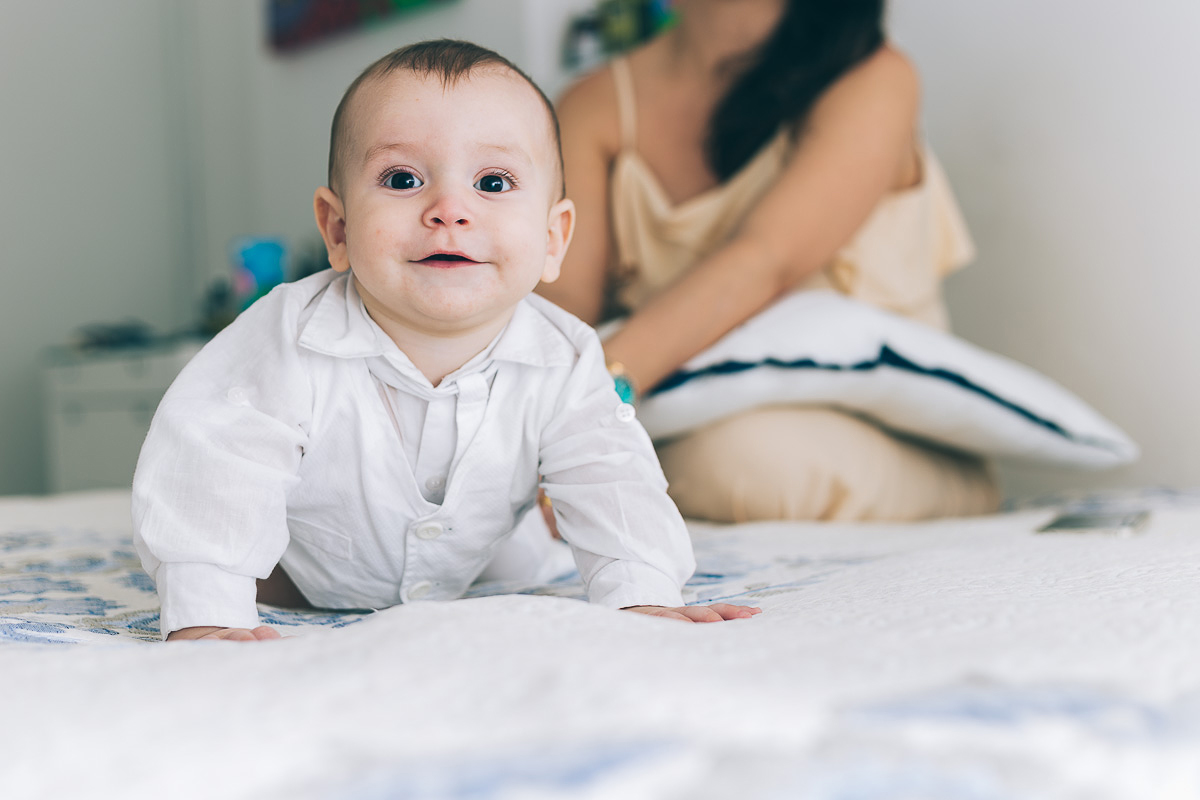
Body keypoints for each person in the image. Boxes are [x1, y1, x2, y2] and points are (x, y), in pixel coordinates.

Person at [131, 40, 760, 642]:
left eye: (492, 183)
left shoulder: (564, 358)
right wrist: (208, 608)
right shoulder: (286, 337)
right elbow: (213, 458)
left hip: (476, 565)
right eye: (403, 179)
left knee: (531, 554)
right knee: (237, 539)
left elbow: (613, 480)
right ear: (339, 228)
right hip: (297, 581)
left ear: (553, 239)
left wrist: (643, 594)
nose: (449, 209)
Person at [539, 0, 1000, 523]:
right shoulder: (591, 105)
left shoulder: (873, 77)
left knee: (735, 459)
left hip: (890, 439)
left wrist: (593, 402)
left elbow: (764, 259)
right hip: (682, 419)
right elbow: (561, 301)